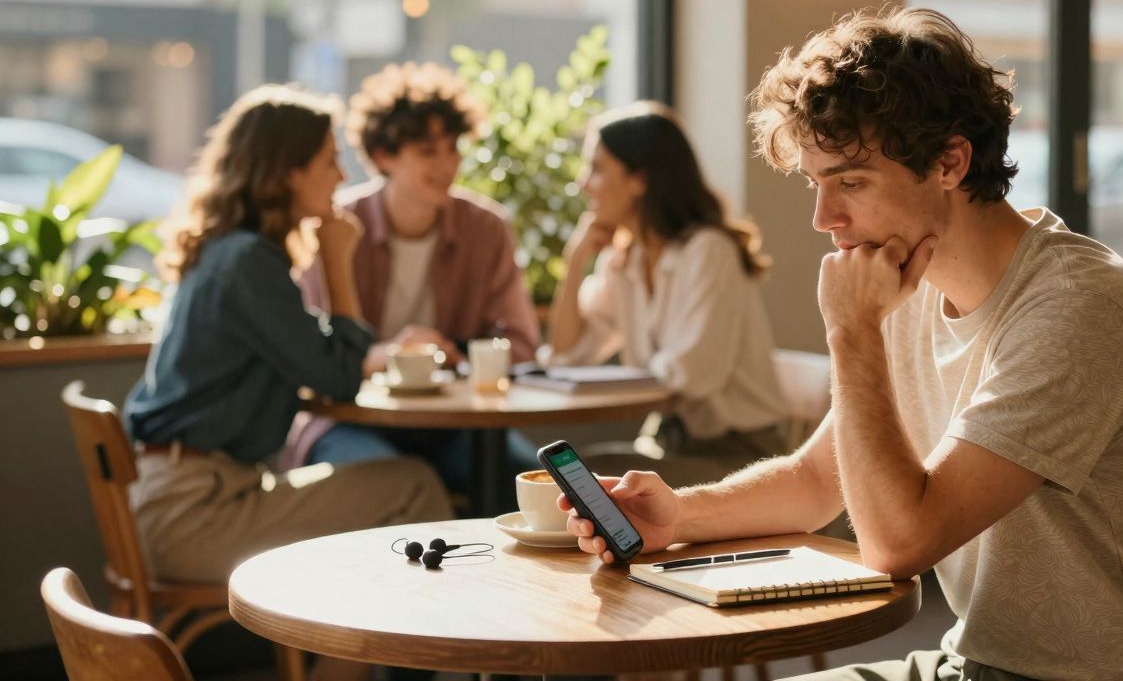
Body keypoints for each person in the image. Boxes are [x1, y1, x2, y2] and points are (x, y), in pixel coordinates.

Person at [558, 8, 1123, 681]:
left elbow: (898, 542)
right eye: (817, 185)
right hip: (973, 666)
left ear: (950, 161)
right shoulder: (912, 282)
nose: (825, 220)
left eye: (850, 182)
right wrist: (677, 514)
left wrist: (851, 333)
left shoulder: (1077, 307)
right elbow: (819, 478)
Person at [123, 85, 451, 681]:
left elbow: (314, 370)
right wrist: (336, 262)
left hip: (185, 494)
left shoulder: (231, 253)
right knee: (411, 488)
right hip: (200, 511)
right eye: (328, 159)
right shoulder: (248, 262)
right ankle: (431, 671)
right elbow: (337, 376)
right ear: (286, 170)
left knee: (389, 497)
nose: (340, 173)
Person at [284, 62, 540, 498]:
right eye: (427, 151)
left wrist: (451, 352)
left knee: (544, 488)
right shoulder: (336, 227)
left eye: (453, 148)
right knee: (391, 485)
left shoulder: (486, 229)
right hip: (349, 418)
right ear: (384, 156)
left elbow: (521, 344)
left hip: (456, 425)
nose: (447, 165)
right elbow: (310, 354)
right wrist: (388, 354)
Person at [546, 101, 787, 489]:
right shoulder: (625, 259)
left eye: (596, 168)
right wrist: (575, 261)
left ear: (639, 179)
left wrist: (629, 377)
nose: (582, 183)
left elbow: (692, 375)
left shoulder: (708, 252)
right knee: (570, 474)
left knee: (582, 478)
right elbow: (567, 353)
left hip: (739, 457)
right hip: (672, 445)